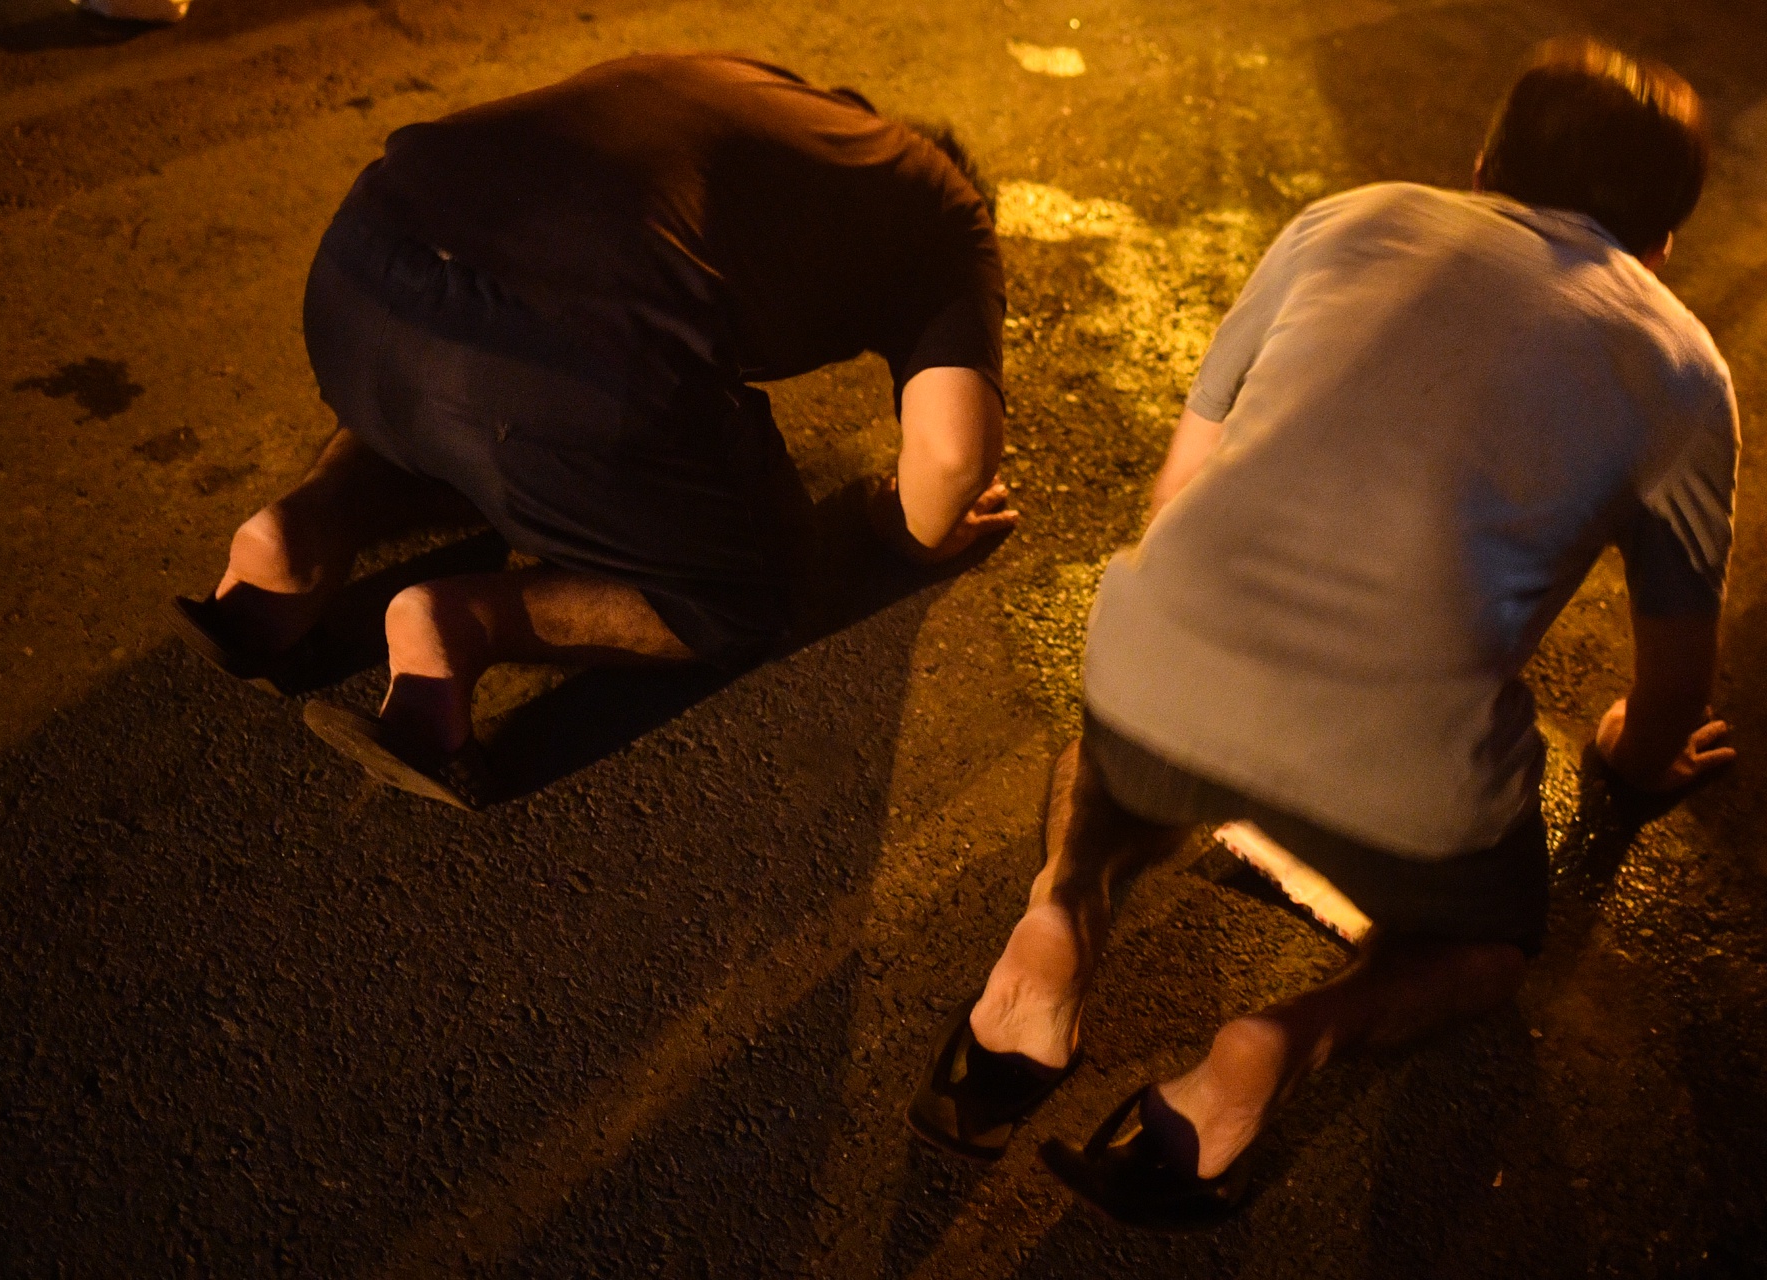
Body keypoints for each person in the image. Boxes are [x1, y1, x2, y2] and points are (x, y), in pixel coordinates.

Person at [906, 37, 1738, 1227]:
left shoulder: (1349, 219)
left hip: (1162, 675)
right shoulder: (1687, 374)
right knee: (1491, 946)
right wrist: (1633, 756)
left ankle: (1056, 926)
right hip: (1403, 782)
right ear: (1662, 243)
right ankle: (1273, 1046)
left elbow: (1176, 499)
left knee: (1122, 743)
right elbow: (1675, 683)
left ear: (1483, 164)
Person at [170, 54, 1016, 807]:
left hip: (355, 277)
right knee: (761, 589)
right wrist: (904, 527)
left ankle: (297, 532)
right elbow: (953, 460)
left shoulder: (755, 88)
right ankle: (465, 623)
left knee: (459, 366)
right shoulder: (948, 215)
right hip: (550, 377)